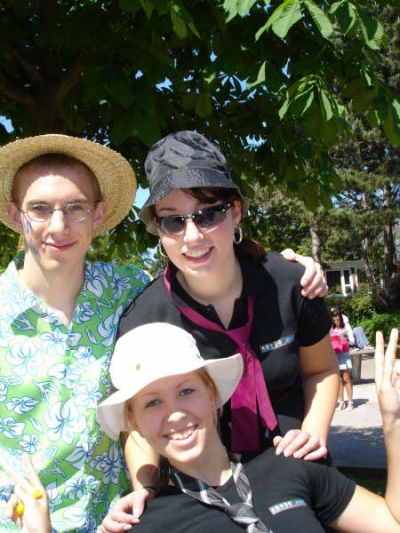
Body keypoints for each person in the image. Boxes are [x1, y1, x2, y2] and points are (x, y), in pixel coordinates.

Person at [111, 130, 339, 527]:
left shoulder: (290, 283)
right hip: (205, 498)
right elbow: (137, 421)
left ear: (234, 212)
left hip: (299, 474)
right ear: (159, 230)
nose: (192, 236)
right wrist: (145, 485)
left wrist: (314, 433)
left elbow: (322, 370)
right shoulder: (145, 320)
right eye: (173, 221)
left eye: (208, 214)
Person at [95, 322, 400, 532]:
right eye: (152, 402)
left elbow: (391, 523)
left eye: (186, 391)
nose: (174, 413)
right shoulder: (147, 525)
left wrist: (393, 421)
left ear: (212, 394)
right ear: (134, 422)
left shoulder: (290, 465)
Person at [0, 134, 150, 532]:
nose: (58, 225)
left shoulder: (129, 290)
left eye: (75, 207)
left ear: (98, 214)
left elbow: (205, 290)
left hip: (119, 521)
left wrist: (287, 271)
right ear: (15, 216)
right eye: (39, 209)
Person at [330, 309, 353, 411]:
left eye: (338, 320)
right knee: (339, 380)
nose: (336, 322)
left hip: (344, 355)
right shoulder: (331, 329)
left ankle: (350, 402)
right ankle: (341, 402)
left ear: (341, 319)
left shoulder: (346, 327)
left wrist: (345, 338)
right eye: (334, 320)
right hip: (335, 356)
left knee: (346, 379)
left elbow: (352, 341)